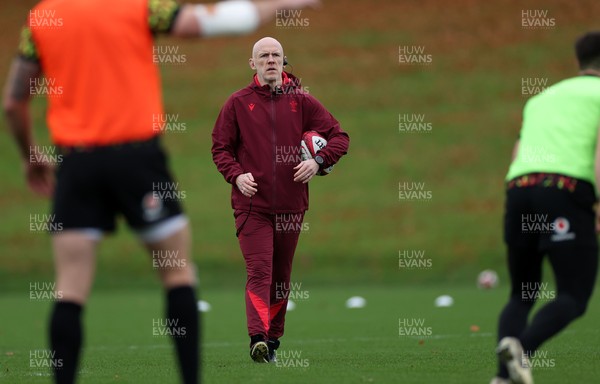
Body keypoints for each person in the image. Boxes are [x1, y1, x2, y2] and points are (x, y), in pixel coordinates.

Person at [2, 1, 319, 383]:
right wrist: (275, 5)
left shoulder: (42, 18)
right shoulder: (138, 7)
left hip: (77, 162)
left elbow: (12, 102)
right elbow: (205, 22)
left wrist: (30, 155)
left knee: (70, 284)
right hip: (138, 156)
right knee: (177, 273)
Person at [211, 36, 349, 363]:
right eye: (263, 56)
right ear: (252, 63)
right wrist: (237, 175)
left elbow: (340, 138)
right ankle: (257, 337)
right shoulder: (237, 103)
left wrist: (318, 161)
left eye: (276, 55)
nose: (270, 60)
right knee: (260, 270)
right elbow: (220, 149)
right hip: (251, 206)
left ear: (283, 61)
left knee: (281, 278)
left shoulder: (302, 101)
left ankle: (272, 340)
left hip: (291, 207)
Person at [492, 31, 600, 384]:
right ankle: (522, 348)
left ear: (578, 61)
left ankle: (503, 378)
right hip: (564, 191)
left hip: (520, 188)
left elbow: (516, 151)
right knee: (574, 294)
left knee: (522, 292)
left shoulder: (542, 98)